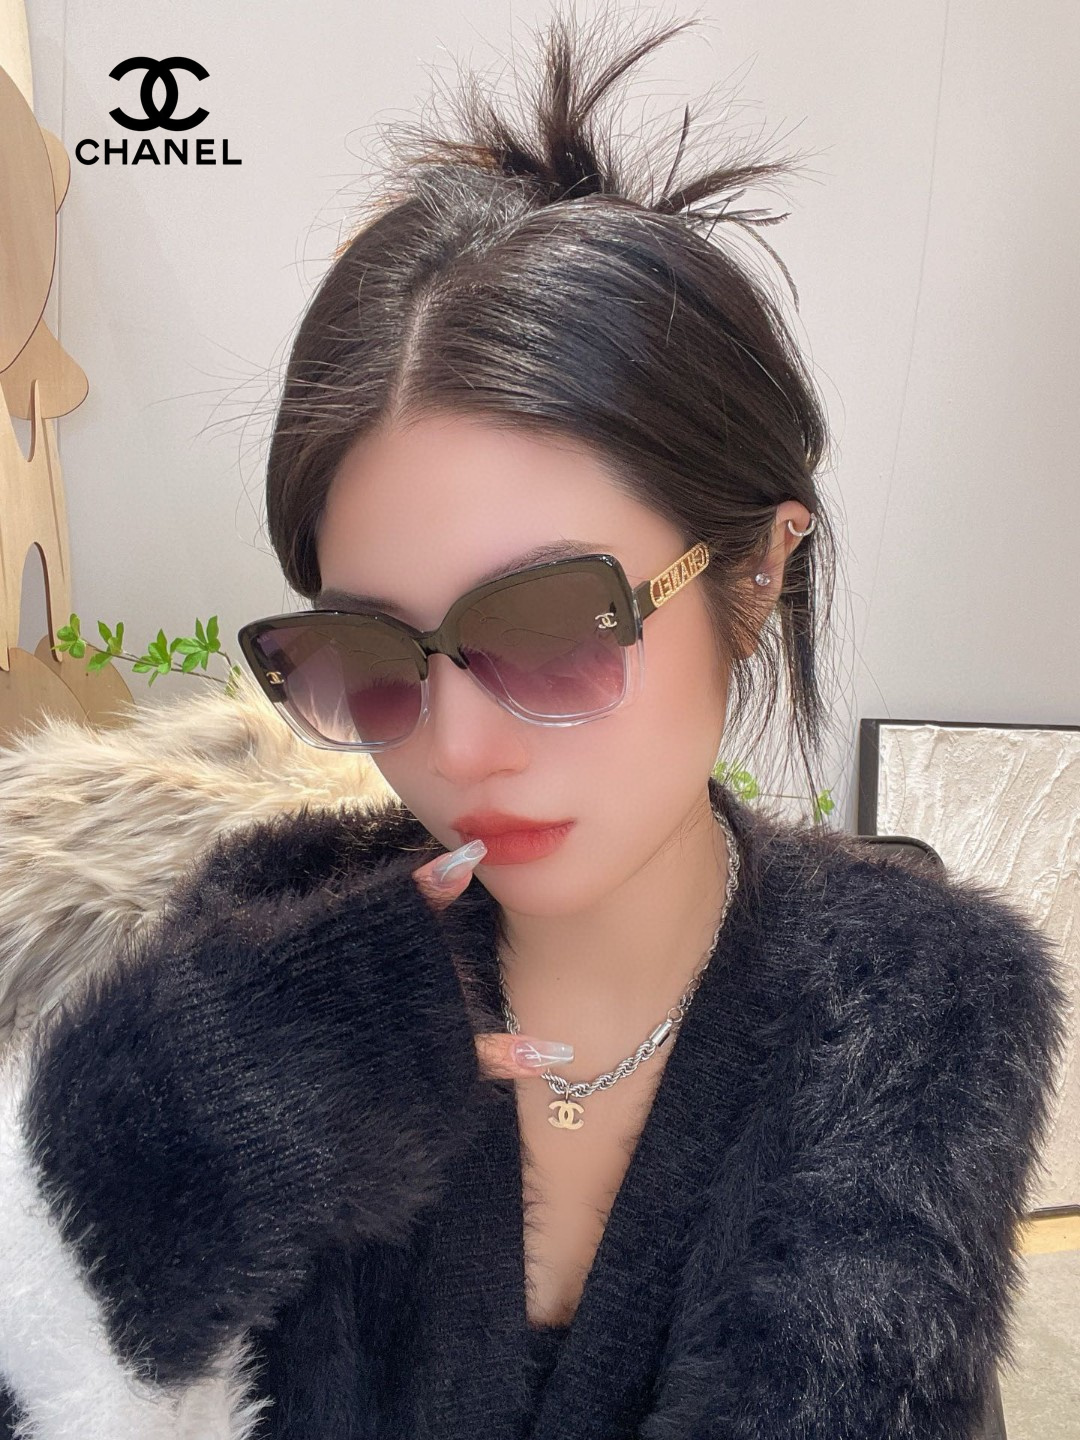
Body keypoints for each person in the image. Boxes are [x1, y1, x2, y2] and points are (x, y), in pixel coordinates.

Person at [0, 9, 1069, 1438]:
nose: (455, 749)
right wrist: (152, 1153)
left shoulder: (916, 1011)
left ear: (757, 572)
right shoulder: (264, 962)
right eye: (369, 653)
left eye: (551, 628)